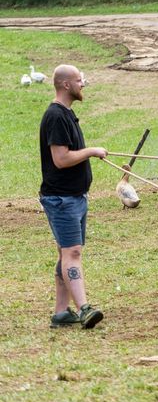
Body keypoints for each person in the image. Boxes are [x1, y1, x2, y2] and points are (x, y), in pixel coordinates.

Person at [39, 65, 107, 329]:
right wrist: (91, 151)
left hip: (74, 197)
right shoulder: (56, 115)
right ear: (66, 85)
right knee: (73, 252)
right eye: (80, 80)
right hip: (62, 198)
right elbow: (61, 159)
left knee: (66, 253)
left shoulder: (66, 113)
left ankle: (60, 313)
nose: (84, 84)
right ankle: (84, 309)